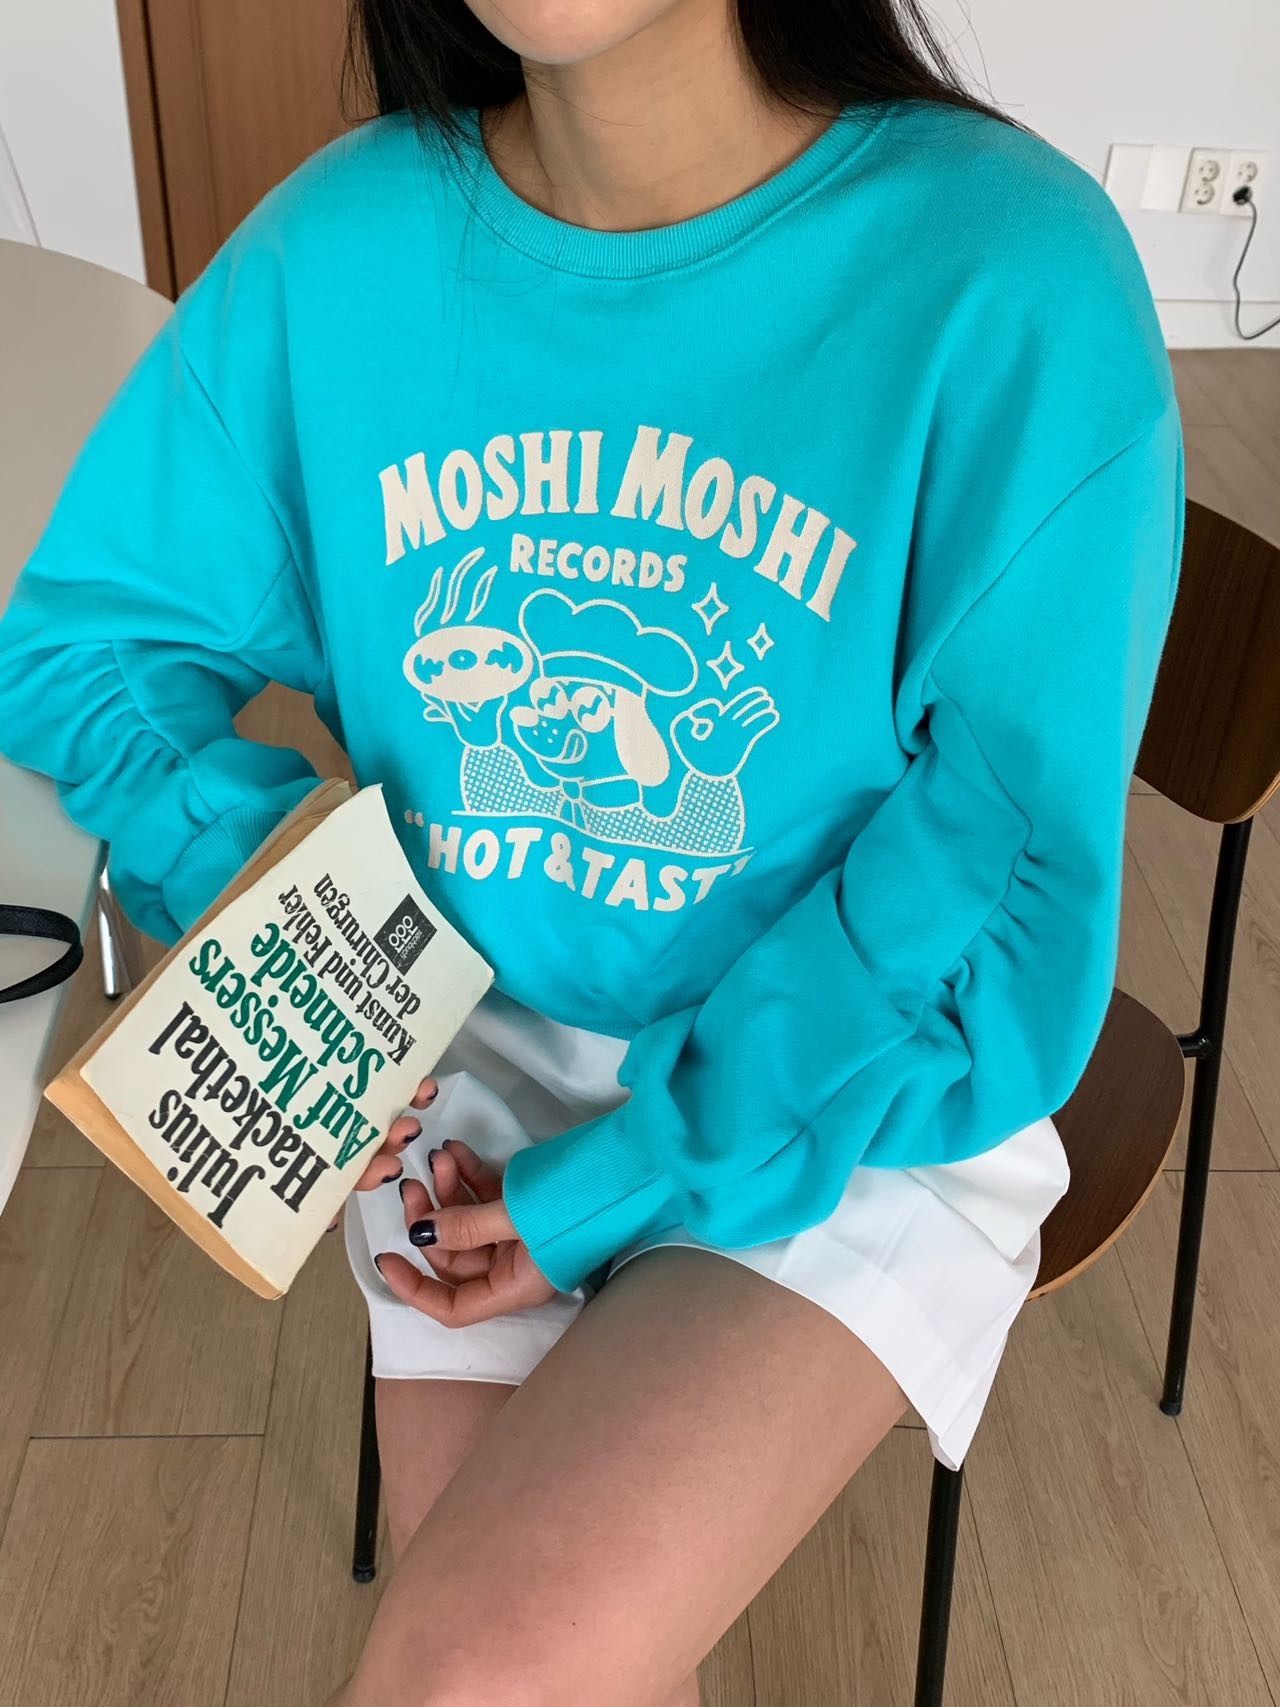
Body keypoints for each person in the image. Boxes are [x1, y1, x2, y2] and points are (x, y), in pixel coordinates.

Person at [0, 0, 1185, 1700]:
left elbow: (988, 865)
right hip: (469, 1058)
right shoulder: (342, 249)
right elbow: (92, 639)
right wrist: (268, 899)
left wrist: (634, 1176)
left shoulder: (1010, 278)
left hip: (856, 1079)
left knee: (476, 1675)